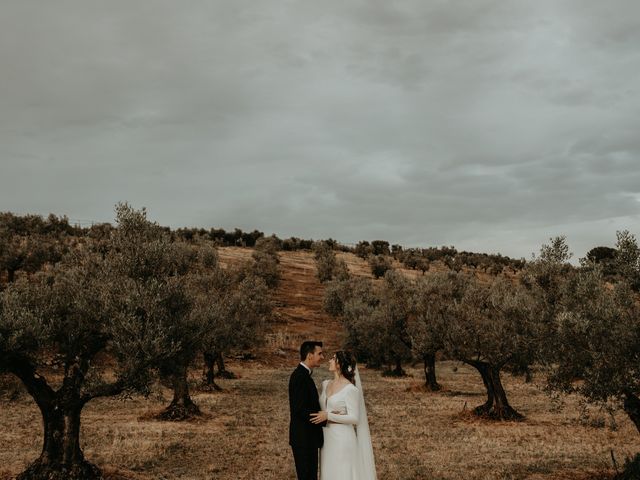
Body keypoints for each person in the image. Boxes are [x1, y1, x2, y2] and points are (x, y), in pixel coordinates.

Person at [311, 351, 377, 480]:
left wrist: (329, 416)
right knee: (328, 472)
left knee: (342, 473)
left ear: (340, 364)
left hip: (342, 438)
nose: (329, 360)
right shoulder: (325, 384)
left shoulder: (350, 389)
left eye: (333, 358)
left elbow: (355, 418)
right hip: (326, 438)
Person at [289, 341, 326, 480]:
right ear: (310, 355)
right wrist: (325, 418)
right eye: (319, 353)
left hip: (308, 437)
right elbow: (300, 409)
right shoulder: (299, 377)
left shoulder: (305, 375)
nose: (322, 357)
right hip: (303, 438)